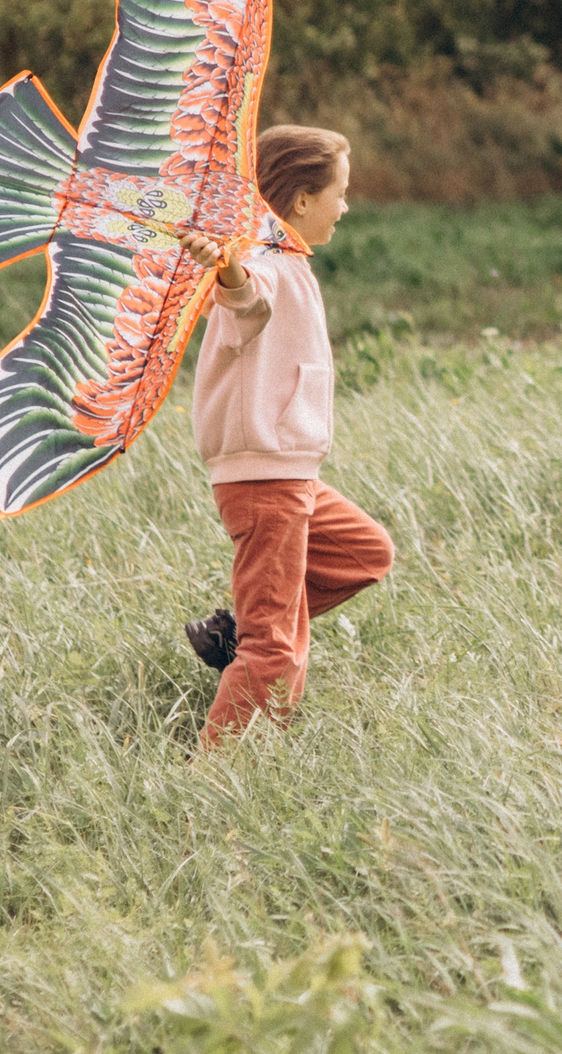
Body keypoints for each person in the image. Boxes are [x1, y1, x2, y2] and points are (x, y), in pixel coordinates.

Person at [175, 125, 392, 747]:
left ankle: (233, 632)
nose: (345, 206)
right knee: (276, 649)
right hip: (264, 477)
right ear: (300, 200)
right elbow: (248, 303)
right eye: (339, 193)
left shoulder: (288, 260)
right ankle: (215, 776)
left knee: (365, 554)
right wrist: (229, 271)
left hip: (291, 474)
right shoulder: (263, 263)